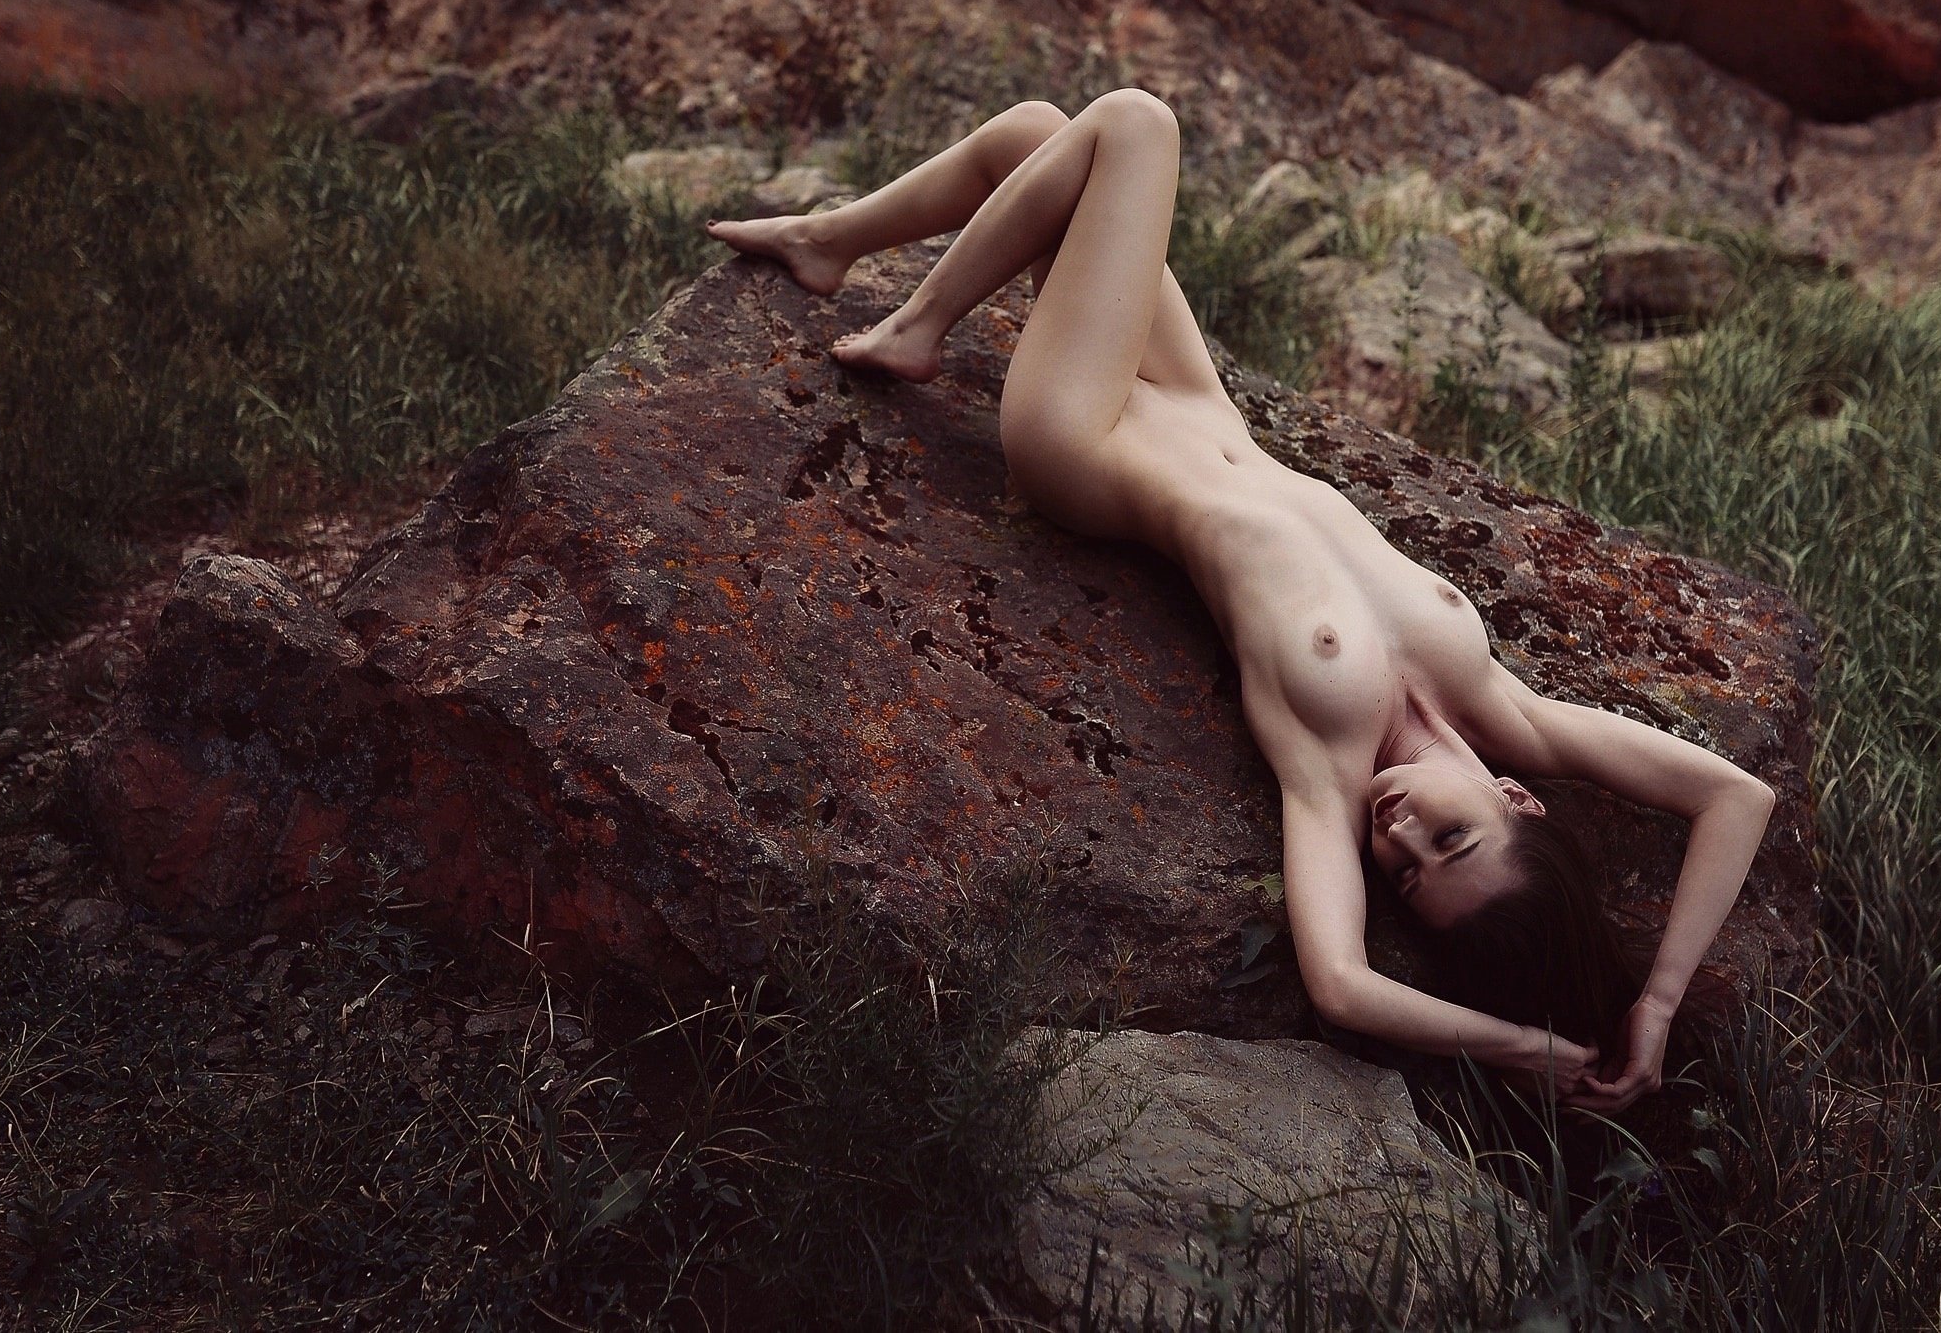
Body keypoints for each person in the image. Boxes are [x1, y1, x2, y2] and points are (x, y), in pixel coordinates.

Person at [705, 89, 1777, 1114]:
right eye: (1450, 838)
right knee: (1039, 136)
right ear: (1517, 801)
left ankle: (914, 324)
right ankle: (829, 240)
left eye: (1404, 876)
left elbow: (1341, 984)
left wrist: (1515, 1046)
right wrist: (1656, 1001)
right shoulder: (1512, 713)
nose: (1399, 836)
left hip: (1085, 439)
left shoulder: (1328, 762)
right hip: (1190, 398)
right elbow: (1734, 797)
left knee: (1132, 125)